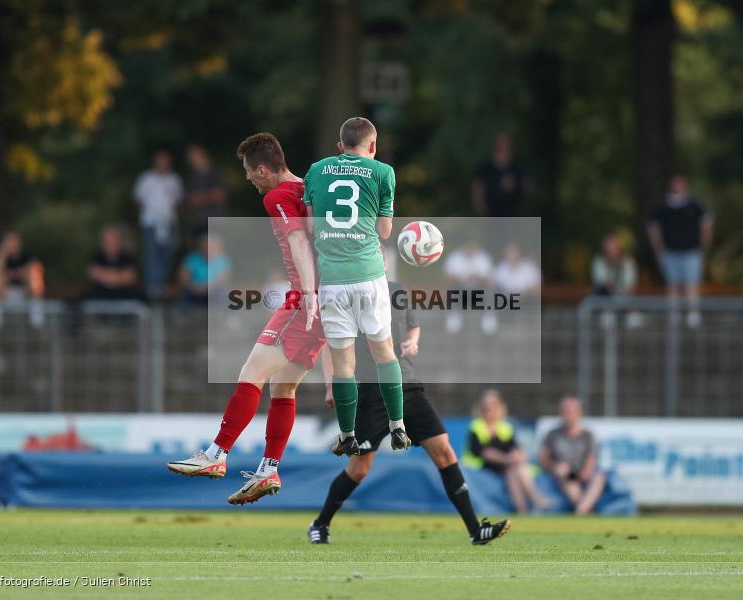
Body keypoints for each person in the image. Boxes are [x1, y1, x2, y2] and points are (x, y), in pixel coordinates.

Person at [309, 249, 510, 546]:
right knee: (360, 468)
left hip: (408, 387)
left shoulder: (397, 291)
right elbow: (331, 344)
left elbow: (413, 325)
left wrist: (413, 342)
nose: (377, 260)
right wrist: (331, 385)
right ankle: (320, 523)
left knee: (445, 452)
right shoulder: (349, 296)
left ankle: (475, 530)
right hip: (371, 394)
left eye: (380, 256)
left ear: (385, 262)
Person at [167, 133, 325, 506]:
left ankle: (216, 454)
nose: (248, 178)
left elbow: (299, 242)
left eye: (249, 171)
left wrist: (307, 293)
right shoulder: (310, 189)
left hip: (306, 300)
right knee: (283, 388)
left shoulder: (278, 196)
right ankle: (268, 469)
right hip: (333, 300)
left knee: (251, 372)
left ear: (264, 169)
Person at [302, 116, 410, 456]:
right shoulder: (383, 172)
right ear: (373, 145)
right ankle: (398, 426)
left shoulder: (316, 170)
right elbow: (385, 231)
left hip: (333, 281)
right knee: (384, 352)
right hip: (368, 276)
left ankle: (347, 435)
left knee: (343, 365)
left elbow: (310, 227)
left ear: (340, 146)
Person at [463, 389, 549, 514]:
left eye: (493, 404)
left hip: (505, 467)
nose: (489, 407)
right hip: (481, 466)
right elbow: (484, 452)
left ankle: (522, 509)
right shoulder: (476, 426)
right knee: (516, 467)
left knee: (515, 469)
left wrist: (519, 456)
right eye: (486, 404)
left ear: (499, 407)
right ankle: (536, 499)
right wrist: (508, 459)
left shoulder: (504, 427)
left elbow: (515, 447)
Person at [647, 175, 714, 329]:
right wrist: (659, 249)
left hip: (691, 252)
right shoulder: (662, 207)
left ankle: (693, 314)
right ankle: (674, 315)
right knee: (673, 285)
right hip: (670, 253)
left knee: (692, 285)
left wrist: (705, 243)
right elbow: (653, 229)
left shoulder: (695, 205)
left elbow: (707, 222)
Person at [539, 396, 605, 515]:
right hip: (563, 476)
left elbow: (591, 461)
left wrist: (584, 474)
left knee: (599, 477)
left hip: (583, 474)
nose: (567, 414)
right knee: (565, 475)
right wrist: (555, 467)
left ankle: (583, 509)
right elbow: (543, 460)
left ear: (579, 413)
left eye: (570, 411)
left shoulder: (588, 436)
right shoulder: (553, 434)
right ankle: (583, 510)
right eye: (564, 411)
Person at [134, 150, 183, 300]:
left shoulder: (174, 179)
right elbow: (138, 198)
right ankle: (152, 287)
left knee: (167, 254)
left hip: (168, 223)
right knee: (151, 254)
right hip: (151, 222)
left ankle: (162, 285)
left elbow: (178, 200)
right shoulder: (146, 178)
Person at [0, 232, 45, 329]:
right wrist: (2, 253)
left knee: (34, 276)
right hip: (5, 293)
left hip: (25, 292)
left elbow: (34, 269)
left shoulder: (27, 255)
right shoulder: (2, 256)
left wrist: (11, 274)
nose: (11, 245)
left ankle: (35, 311)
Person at [471, 133, 528, 218]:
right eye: (501, 147)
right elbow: (477, 189)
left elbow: (527, 188)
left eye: (507, 147)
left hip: (513, 215)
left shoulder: (517, 168)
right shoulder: (485, 169)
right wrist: (480, 208)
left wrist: (515, 185)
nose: (504, 149)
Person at [444, 241, 495, 334]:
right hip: (461, 291)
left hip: (478, 292)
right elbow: (449, 278)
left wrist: (476, 279)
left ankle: (489, 317)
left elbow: (488, 279)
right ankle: (453, 317)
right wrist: (463, 279)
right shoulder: (455, 257)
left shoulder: (483, 258)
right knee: (451, 288)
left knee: (489, 289)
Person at [86, 226, 142, 301]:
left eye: (113, 239)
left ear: (119, 241)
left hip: (125, 299)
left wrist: (105, 276)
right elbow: (94, 274)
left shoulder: (129, 259)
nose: (111, 243)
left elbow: (131, 277)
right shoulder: (96, 258)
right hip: (100, 298)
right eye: (108, 240)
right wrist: (120, 277)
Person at [178, 234, 231, 308]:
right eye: (207, 247)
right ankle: (184, 313)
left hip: (213, 289)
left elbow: (224, 277)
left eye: (212, 248)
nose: (209, 250)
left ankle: (223, 312)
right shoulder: (192, 258)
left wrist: (210, 286)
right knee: (184, 292)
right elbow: (183, 276)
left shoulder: (222, 259)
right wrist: (194, 286)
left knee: (223, 290)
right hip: (194, 288)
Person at [185, 144, 227, 237]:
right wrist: (210, 195)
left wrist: (200, 196)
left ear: (203, 155)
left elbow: (219, 196)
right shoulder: (191, 177)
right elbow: (192, 200)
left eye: (194, 157)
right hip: (198, 223)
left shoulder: (215, 174)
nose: (192, 161)